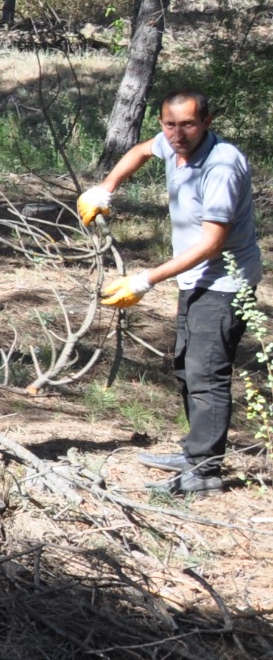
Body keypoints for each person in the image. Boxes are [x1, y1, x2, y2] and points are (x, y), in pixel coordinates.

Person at [79, 90, 262, 496]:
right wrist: (106, 187)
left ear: (207, 122)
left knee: (207, 374)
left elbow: (212, 244)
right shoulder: (171, 141)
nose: (177, 134)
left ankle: (204, 474)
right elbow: (143, 151)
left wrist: (146, 280)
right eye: (169, 124)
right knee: (186, 366)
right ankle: (197, 451)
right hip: (195, 279)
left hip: (224, 281)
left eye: (188, 124)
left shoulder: (221, 166)